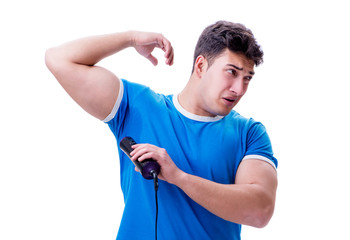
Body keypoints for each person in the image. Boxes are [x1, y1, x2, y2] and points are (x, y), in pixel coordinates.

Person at [45, 20, 278, 240]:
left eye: (247, 78)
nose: (239, 89)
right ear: (200, 65)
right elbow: (59, 59)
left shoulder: (249, 133)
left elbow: (260, 211)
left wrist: (179, 177)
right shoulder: (138, 106)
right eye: (232, 72)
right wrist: (131, 38)